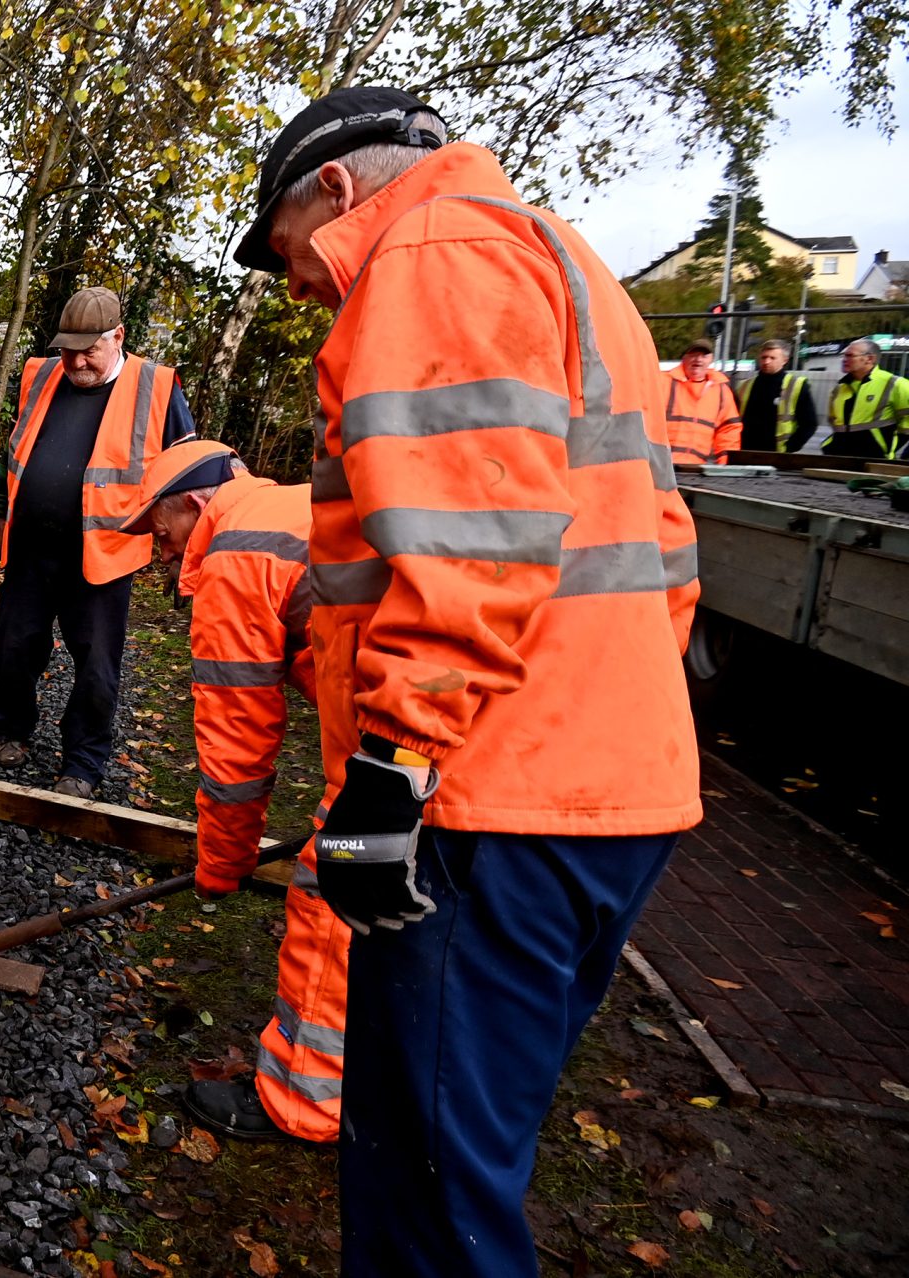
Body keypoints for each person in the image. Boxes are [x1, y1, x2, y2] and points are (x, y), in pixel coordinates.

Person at [233, 86, 701, 1277]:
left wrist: (391, 769)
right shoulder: (574, 265)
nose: (301, 289)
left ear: (337, 188)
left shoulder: (435, 252)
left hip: (490, 799)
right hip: (611, 791)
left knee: (427, 1198)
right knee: (475, 1158)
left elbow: (472, 542)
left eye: (293, 255)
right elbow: (667, 546)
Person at [114, 440, 347, 1143]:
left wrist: (221, 863)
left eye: (160, 529)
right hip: (444, 737)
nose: (160, 547)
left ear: (193, 501)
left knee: (335, 891)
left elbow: (237, 748)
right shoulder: (290, 506)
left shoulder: (237, 555)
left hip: (411, 752)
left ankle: (306, 1104)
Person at [0, 286, 197, 799]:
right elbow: (15, 450)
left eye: (88, 350)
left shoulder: (155, 387)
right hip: (31, 549)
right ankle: (11, 731)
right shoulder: (41, 374)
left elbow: (189, 476)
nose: (75, 361)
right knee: (12, 648)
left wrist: (184, 554)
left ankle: (84, 761)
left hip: (104, 558)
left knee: (97, 667)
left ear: (118, 336)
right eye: (68, 349)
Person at [822, 338, 909, 460]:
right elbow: (834, 422)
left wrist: (889, 447)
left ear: (870, 359)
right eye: (844, 355)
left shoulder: (896, 384)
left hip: (875, 459)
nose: (844, 359)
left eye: (850, 355)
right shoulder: (840, 388)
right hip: (837, 457)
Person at [662, 336, 742, 465]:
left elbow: (728, 430)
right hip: (659, 466)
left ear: (710, 360)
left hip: (695, 469)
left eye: (704, 356)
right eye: (693, 354)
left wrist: (725, 464)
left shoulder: (721, 389)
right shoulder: (663, 382)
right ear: (684, 358)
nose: (698, 359)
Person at [734, 338, 818, 453]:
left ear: (785, 360)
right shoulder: (744, 386)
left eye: (772, 358)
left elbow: (809, 424)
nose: (766, 361)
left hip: (777, 453)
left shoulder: (797, 386)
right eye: (764, 357)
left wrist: (790, 448)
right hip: (744, 450)